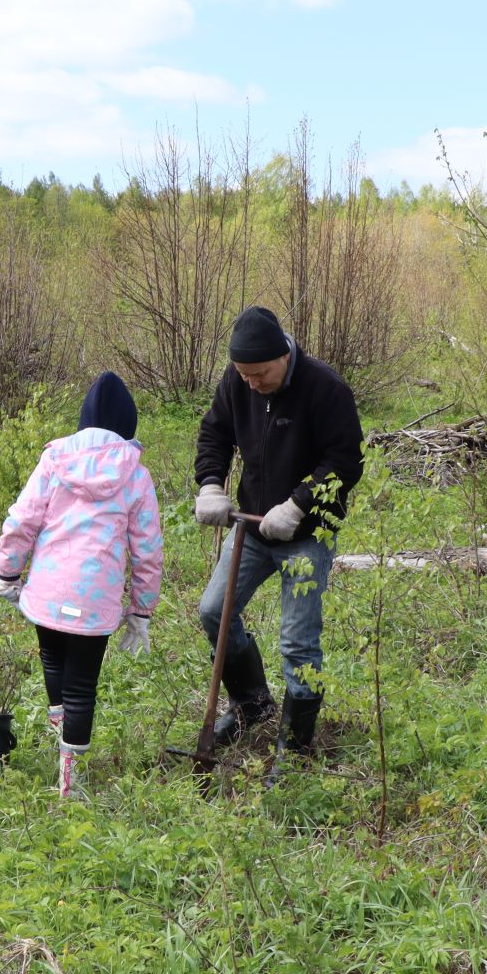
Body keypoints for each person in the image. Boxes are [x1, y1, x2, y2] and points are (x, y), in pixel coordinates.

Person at [192, 306, 364, 755]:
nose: (251, 382)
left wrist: (297, 505)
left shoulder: (324, 388)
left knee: (297, 641)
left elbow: (345, 461)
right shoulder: (237, 382)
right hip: (252, 529)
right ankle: (252, 705)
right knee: (213, 610)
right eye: (243, 374)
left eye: (260, 373)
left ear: (283, 355)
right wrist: (211, 485)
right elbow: (214, 434)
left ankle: (296, 744)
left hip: (307, 534)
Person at [0, 371, 163, 798]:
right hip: (97, 600)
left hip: (49, 591)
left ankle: (58, 728)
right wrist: (141, 611)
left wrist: (7, 571)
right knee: (82, 684)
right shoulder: (136, 476)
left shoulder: (55, 459)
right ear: (130, 425)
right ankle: (70, 780)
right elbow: (148, 550)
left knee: (52, 658)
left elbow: (23, 518)